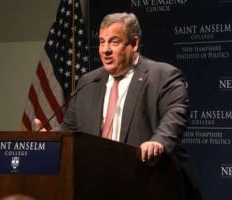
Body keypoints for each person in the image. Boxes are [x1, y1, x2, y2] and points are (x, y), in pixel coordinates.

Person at [35, 12, 201, 200]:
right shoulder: (89, 82)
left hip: (147, 183)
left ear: (135, 43)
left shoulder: (163, 76)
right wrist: (50, 137)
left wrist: (158, 141)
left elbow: (176, 113)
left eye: (114, 42)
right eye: (102, 41)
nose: (105, 50)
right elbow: (70, 126)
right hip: (97, 184)